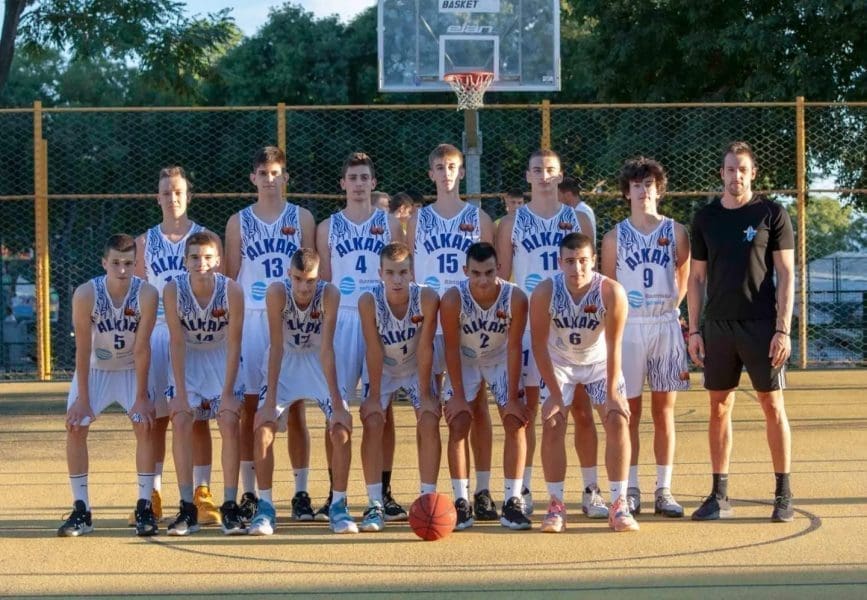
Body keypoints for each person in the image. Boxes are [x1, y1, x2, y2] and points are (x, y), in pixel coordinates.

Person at [687, 141, 795, 522]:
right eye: (730, 169)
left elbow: (786, 274)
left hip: (762, 326)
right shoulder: (705, 218)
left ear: (753, 174)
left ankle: (783, 494)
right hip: (718, 326)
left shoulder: (772, 214)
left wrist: (783, 329)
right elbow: (696, 278)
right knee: (719, 406)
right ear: (722, 173)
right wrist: (694, 330)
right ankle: (719, 496)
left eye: (743, 170)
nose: (736, 176)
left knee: (772, 405)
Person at [495, 149, 594, 516]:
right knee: (528, 411)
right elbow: (503, 279)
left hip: (571, 325)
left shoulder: (578, 218)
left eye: (550, 170)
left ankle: (590, 489)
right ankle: (523, 489)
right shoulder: (511, 223)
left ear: (560, 175)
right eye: (537, 170)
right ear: (528, 176)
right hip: (527, 325)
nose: (544, 176)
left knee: (580, 409)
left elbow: (590, 275)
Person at [406, 143, 499, 522]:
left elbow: (491, 275)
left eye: (452, 167)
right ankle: (434, 492)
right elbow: (411, 272)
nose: (446, 173)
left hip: (469, 322)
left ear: (461, 172)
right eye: (440, 167)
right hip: (431, 322)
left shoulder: (480, 218)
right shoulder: (418, 219)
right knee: (428, 406)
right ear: (431, 173)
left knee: (476, 406)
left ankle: (482, 490)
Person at [224, 146, 316, 522]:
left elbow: (311, 274)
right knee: (251, 407)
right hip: (252, 319)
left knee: (295, 407)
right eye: (263, 173)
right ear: (253, 178)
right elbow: (231, 278)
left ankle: (301, 492)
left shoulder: (302, 217)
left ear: (286, 177)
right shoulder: (238, 222)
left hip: (292, 317)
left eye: (276, 172)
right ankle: (251, 492)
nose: (269, 179)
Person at [315, 151, 406, 521]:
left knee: (381, 409)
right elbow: (323, 282)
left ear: (373, 183)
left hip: (381, 318)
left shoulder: (390, 225)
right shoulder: (327, 227)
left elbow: (401, 274)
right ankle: (333, 493)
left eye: (364, 177)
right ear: (342, 184)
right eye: (352, 178)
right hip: (342, 319)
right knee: (333, 407)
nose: (358, 184)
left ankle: (382, 492)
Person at [530, 232, 639, 533]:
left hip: (599, 362)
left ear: (593, 261)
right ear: (559, 262)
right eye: (569, 261)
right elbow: (538, 345)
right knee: (553, 422)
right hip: (560, 362)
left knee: (617, 419)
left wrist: (613, 392)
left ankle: (618, 504)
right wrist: (554, 394)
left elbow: (615, 344)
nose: (576, 268)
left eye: (582, 261)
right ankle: (556, 505)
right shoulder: (545, 292)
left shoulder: (611, 291)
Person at [600, 157, 690, 518]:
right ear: (627, 192)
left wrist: (673, 307)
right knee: (630, 411)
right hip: (630, 327)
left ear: (659, 189)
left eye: (649, 184)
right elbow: (608, 288)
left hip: (664, 323)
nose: (643, 191)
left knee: (664, 411)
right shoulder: (613, 238)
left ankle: (664, 489)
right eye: (636, 185)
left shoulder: (676, 232)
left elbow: (684, 274)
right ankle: (632, 487)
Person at [133, 166, 219, 527]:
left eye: (179, 192)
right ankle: (152, 494)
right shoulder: (144, 242)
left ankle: (202, 493)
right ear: (158, 198)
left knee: (197, 419)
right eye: (166, 192)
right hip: (157, 335)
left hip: (196, 334)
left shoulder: (205, 238)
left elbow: (218, 288)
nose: (173, 198)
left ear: (189, 195)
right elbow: (138, 294)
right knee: (157, 420)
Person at [58, 234, 159, 537]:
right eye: (116, 262)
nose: (122, 269)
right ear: (104, 263)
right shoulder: (86, 293)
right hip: (95, 370)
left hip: (130, 369)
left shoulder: (147, 294)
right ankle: (81, 509)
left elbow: (142, 348)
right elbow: (83, 348)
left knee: (144, 424)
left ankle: (144, 506)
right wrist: (83, 398)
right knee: (76, 426)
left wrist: (141, 397)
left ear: (137, 264)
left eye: (128, 263)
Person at [250, 249, 355, 534]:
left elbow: (327, 349)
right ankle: (265, 508)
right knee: (263, 429)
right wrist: (269, 403)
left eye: (310, 280)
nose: (304, 287)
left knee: (340, 430)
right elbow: (276, 347)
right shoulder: (276, 293)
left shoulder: (330, 294)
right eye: (298, 279)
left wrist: (338, 406)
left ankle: (339, 506)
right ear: (289, 275)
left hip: (318, 361)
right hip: (285, 361)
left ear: (319, 277)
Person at [440, 242, 530, 530]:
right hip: (465, 360)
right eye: (476, 273)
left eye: (489, 272)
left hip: (500, 359)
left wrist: (513, 397)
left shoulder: (515, 297)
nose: (482, 280)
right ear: (465, 271)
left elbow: (514, 347)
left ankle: (512, 501)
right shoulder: (453, 299)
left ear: (499, 269)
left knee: (515, 421)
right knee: (458, 422)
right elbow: (451, 348)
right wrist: (457, 395)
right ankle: (461, 501)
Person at [163, 232, 245, 535]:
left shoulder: (232, 290)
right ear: (185, 261)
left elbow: (234, 343)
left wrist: (228, 393)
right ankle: (188, 508)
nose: (202, 263)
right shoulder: (173, 290)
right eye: (195, 257)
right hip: (189, 359)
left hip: (221, 358)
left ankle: (230, 505)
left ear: (218, 261)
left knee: (229, 421)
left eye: (208, 257)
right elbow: (176, 341)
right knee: (181, 419)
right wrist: (180, 393)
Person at [357, 242, 439, 531]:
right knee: (373, 421)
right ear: (380, 273)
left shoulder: (427, 297)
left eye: (403, 272)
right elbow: (373, 349)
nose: (397, 279)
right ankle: (374, 503)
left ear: (412, 273)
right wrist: (374, 397)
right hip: (384, 369)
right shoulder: (368, 301)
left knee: (429, 419)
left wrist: (426, 395)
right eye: (390, 273)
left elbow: (426, 347)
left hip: (415, 366)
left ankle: (427, 499)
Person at [558, 176, 596, 244]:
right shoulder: (574, 211)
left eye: (558, 195)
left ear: (568, 195)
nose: (556, 199)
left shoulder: (583, 210)